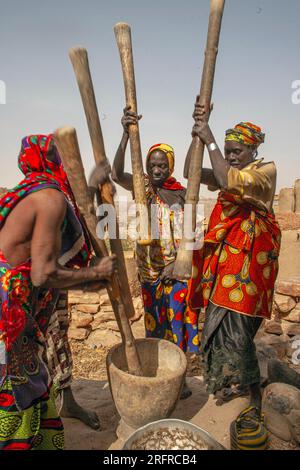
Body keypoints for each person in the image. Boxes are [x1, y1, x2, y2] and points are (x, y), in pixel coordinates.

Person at [0, 134, 116, 450]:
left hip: (20, 299)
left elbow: (73, 206)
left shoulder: (29, 192)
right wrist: (96, 273)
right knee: (19, 386)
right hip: (12, 309)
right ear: (55, 161)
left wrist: (92, 185)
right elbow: (43, 272)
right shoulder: (49, 198)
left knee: (34, 376)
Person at [188, 97, 281, 450]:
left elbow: (229, 180)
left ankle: (251, 403)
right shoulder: (229, 167)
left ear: (252, 149)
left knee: (239, 338)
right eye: (227, 150)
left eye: (237, 149)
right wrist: (196, 135)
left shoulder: (263, 171)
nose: (230, 155)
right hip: (226, 270)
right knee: (218, 331)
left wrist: (209, 136)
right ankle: (234, 390)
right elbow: (190, 172)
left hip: (249, 273)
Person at [111, 107, 200, 399]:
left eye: (162, 166)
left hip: (174, 272)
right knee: (155, 324)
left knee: (177, 325)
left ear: (170, 167)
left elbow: (191, 234)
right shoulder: (143, 188)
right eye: (152, 165)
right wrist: (125, 135)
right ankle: (160, 376)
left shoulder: (182, 193)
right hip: (148, 272)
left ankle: (180, 379)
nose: (157, 171)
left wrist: (179, 265)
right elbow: (115, 173)